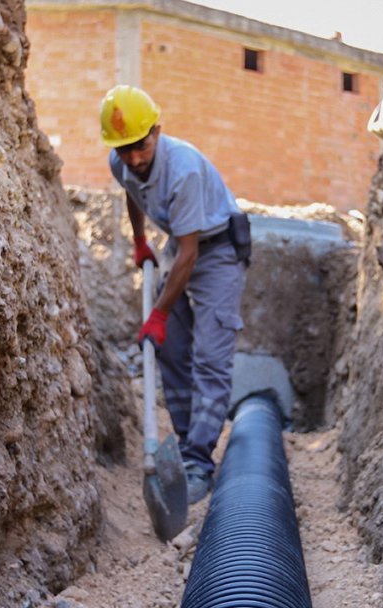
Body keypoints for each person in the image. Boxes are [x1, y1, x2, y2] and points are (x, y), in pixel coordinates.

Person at [99, 85, 249, 503]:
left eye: (140, 146)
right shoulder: (121, 161)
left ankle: (201, 461)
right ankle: (186, 443)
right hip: (181, 244)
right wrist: (139, 239)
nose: (133, 158)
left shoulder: (184, 170)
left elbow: (189, 253)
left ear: (157, 132)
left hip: (216, 248)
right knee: (170, 348)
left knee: (210, 355)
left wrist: (159, 314)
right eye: (124, 149)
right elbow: (134, 192)